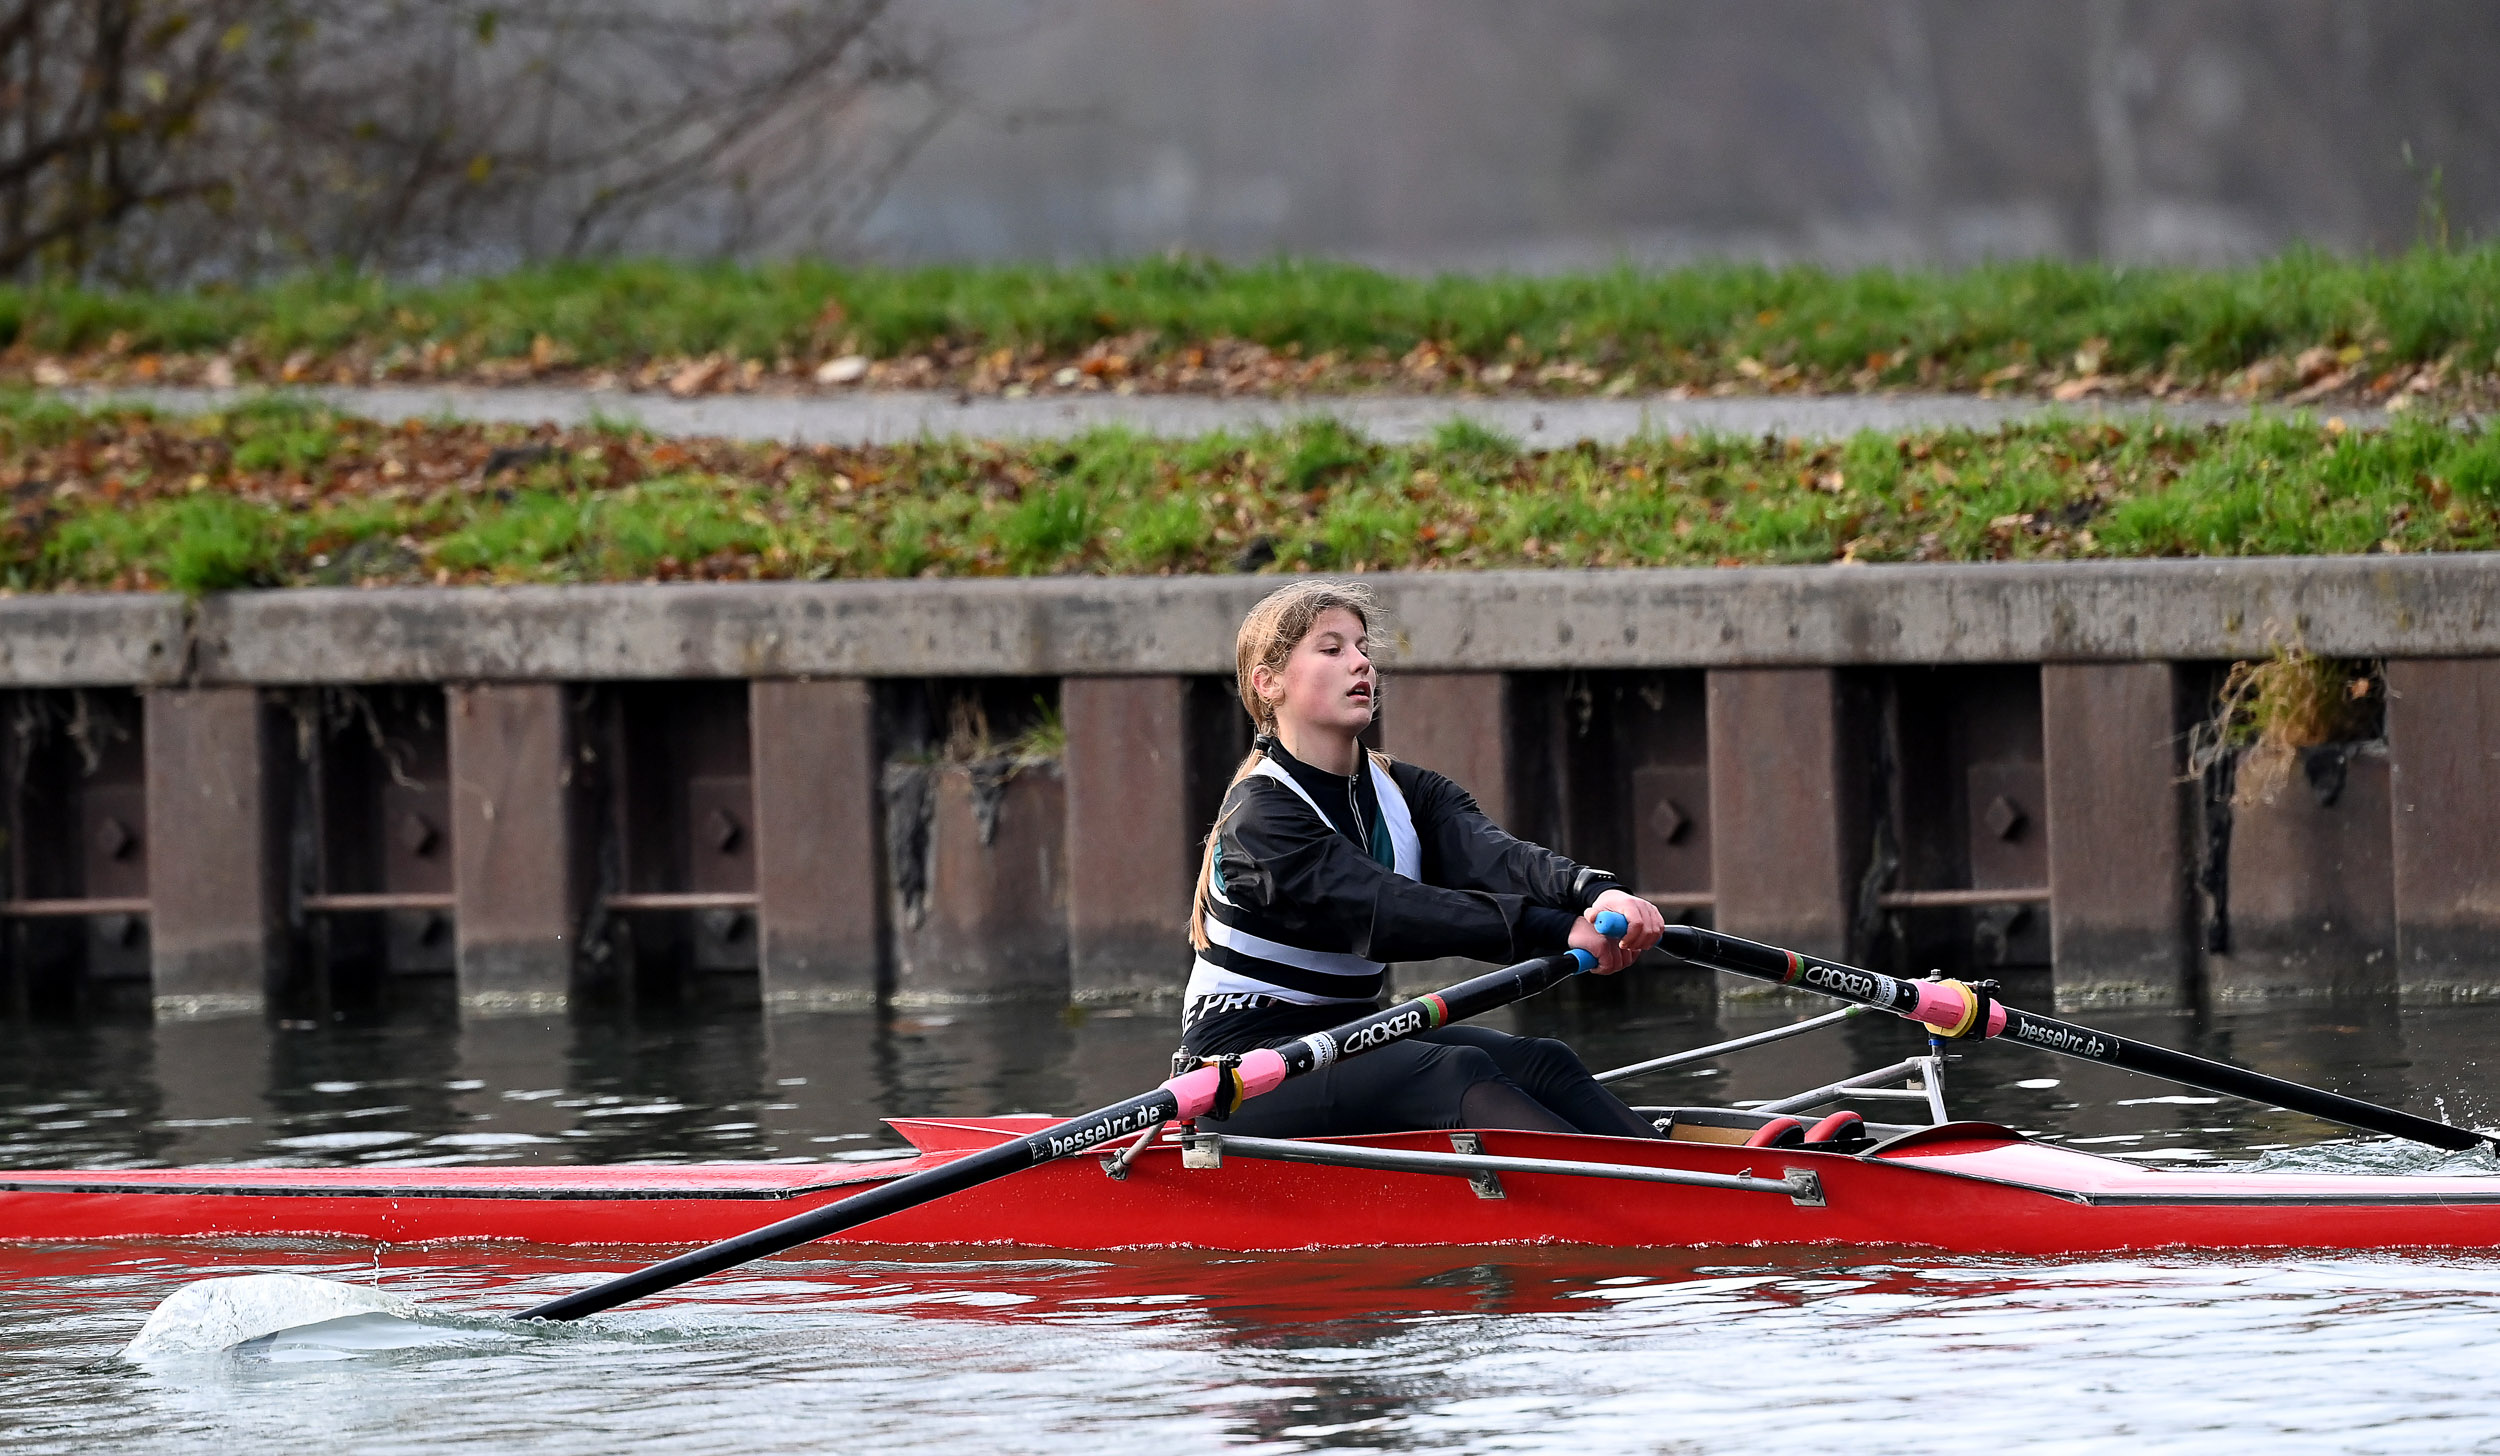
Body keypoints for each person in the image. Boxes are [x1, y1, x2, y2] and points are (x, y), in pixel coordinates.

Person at [1178, 579, 1670, 1139]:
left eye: (1363, 648)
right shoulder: (1260, 817)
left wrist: (1593, 893)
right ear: (1268, 683)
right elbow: (1387, 911)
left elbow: (1497, 857)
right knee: (1455, 1072)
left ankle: (1674, 1176)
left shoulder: (1406, 792)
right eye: (1332, 649)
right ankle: (1632, 1207)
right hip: (1241, 1066)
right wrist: (1554, 930)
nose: (1360, 663)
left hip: (1354, 1033)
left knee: (1543, 1059)